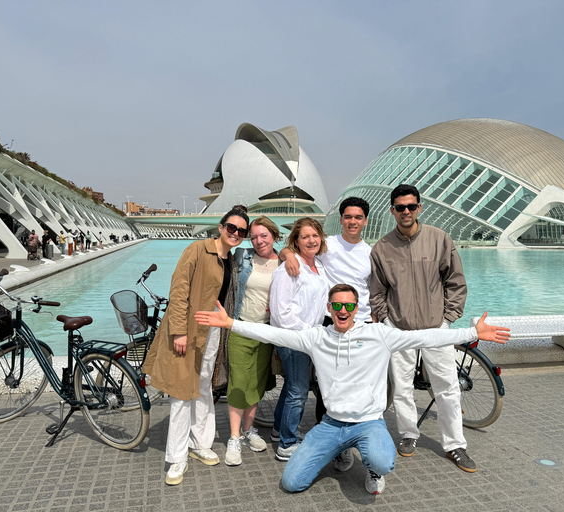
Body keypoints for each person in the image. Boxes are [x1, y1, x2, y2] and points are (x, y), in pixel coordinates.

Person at [195, 284, 509, 494]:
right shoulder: (316, 337)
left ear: (355, 308)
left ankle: (373, 471)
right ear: (330, 308)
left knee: (383, 460)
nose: (342, 310)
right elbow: (273, 333)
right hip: (331, 424)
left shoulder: (380, 335)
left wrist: (470, 332)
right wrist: (231, 324)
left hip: (369, 422)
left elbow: (425, 337)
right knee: (291, 483)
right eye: (337, 305)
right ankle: (339, 449)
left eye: (348, 305)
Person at [370, 184, 474, 472]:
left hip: (435, 328)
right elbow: (377, 291)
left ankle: (455, 445)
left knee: (448, 388)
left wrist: (448, 319)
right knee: (402, 387)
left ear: (419, 207)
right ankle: (408, 434)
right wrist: (387, 320)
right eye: (400, 207)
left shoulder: (439, 239)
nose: (406, 211)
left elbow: (456, 282)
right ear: (392, 210)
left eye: (411, 206)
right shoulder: (382, 247)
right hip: (400, 329)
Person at [142, 206, 249, 486]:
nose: (236, 233)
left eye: (241, 231)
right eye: (231, 227)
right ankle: (176, 458)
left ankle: (200, 442)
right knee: (181, 393)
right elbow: (178, 291)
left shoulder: (231, 260)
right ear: (221, 226)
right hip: (188, 332)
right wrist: (178, 331)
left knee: (203, 388)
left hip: (212, 333)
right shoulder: (198, 250)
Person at [281, 196, 372, 469]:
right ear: (341, 219)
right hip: (332, 322)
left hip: (363, 323)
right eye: (348, 217)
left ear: (365, 221)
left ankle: (360, 438)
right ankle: (333, 443)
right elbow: (294, 248)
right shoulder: (327, 244)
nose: (353, 221)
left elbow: (376, 288)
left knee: (360, 385)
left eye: (358, 217)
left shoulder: (371, 251)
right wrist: (286, 255)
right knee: (328, 385)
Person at [269, 217, 329, 461]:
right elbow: (281, 311)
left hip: (310, 337)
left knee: (293, 386)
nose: (311, 240)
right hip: (294, 338)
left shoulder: (319, 266)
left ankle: (278, 429)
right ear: (295, 240)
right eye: (305, 236)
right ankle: (288, 443)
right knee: (298, 390)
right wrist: (308, 333)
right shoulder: (288, 268)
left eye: (315, 235)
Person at [224, 216, 281, 466]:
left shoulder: (284, 262)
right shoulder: (242, 256)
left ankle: (249, 431)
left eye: (263, 236)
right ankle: (234, 438)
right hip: (240, 327)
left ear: (274, 236)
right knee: (238, 382)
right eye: (254, 236)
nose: (258, 241)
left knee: (256, 383)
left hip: (266, 331)